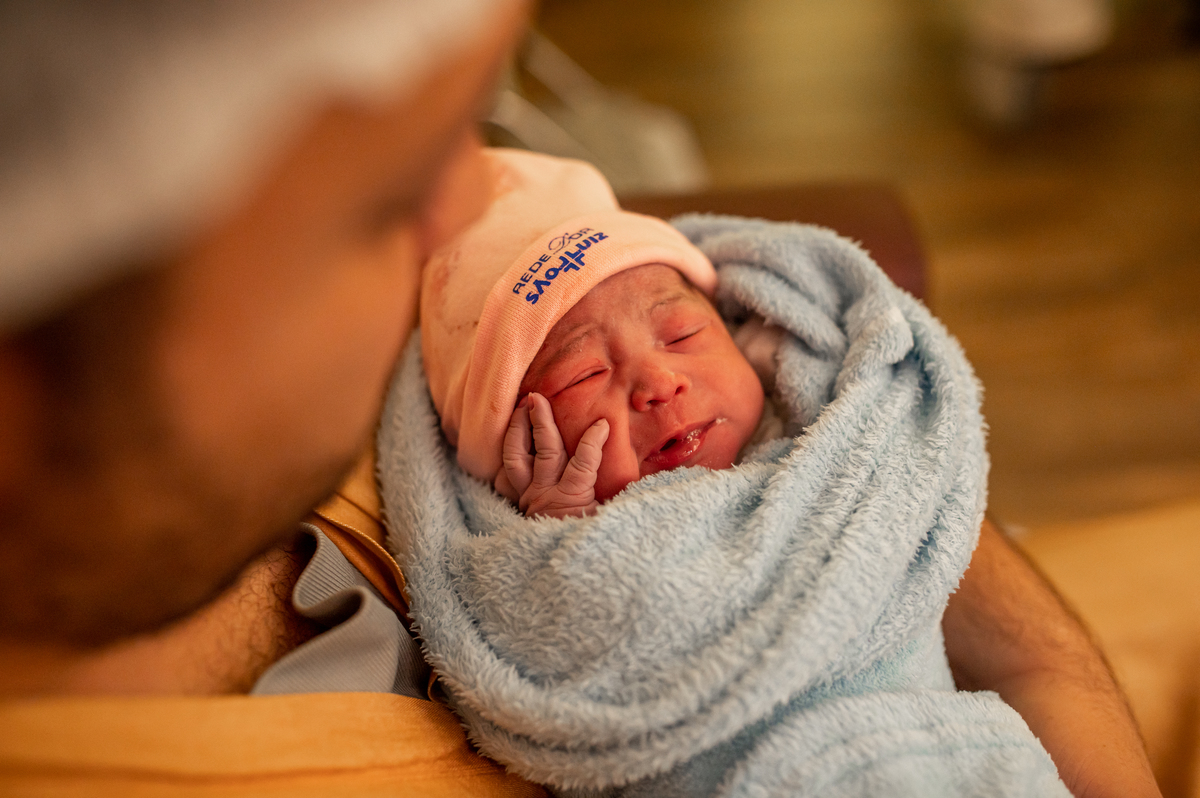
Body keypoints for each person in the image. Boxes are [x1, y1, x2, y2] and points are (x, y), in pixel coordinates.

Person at [0, 3, 1159, 797]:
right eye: (380, 205)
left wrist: (1008, 634)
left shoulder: (244, 411)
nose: (465, 220)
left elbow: (901, 501)